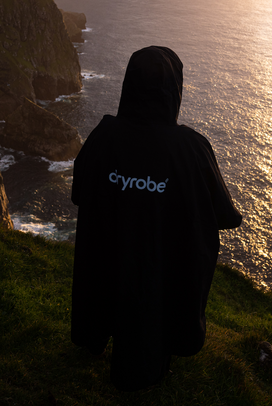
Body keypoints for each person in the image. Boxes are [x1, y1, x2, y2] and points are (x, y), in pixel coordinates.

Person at [70, 45, 243, 391]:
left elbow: (79, 194)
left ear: (128, 86)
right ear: (174, 90)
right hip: (161, 278)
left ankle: (96, 335)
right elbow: (224, 215)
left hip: (107, 266)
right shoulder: (191, 149)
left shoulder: (103, 137)